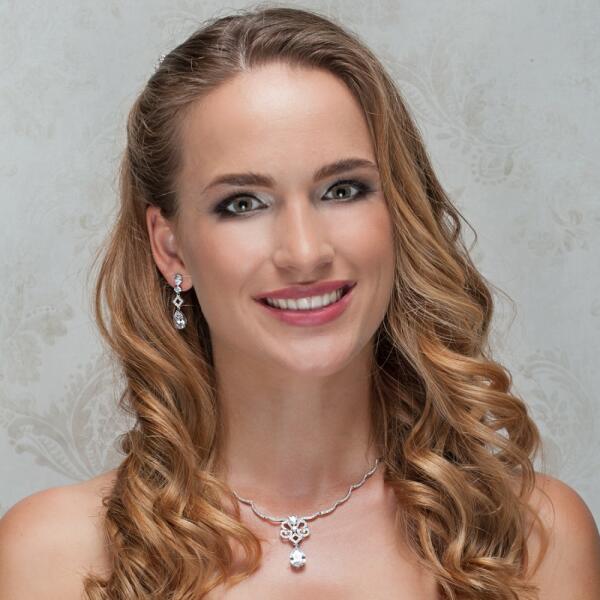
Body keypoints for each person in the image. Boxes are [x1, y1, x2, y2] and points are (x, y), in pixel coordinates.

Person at [1, 5, 599, 599]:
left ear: (399, 214)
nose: (305, 252)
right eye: (242, 203)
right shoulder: (51, 556)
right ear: (170, 247)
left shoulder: (537, 539)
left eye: (343, 190)